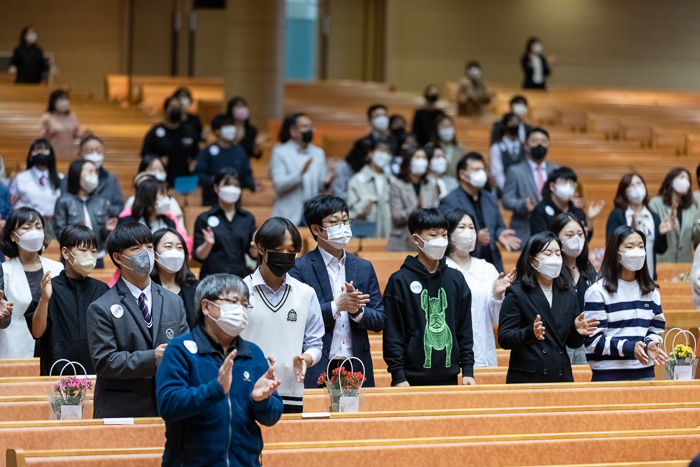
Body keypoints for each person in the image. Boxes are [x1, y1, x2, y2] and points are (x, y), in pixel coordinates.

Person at [156, 274, 282, 466]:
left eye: (245, 304)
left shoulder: (253, 354)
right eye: (233, 301)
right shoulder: (180, 349)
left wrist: (261, 401)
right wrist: (215, 389)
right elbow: (168, 406)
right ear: (206, 307)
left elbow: (273, 416)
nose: (240, 310)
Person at [87, 222, 189, 418]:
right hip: (121, 410)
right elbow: (105, 361)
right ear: (118, 257)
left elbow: (187, 349)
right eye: (136, 249)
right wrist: (153, 357)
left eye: (149, 247)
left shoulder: (173, 301)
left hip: (168, 407)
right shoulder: (101, 307)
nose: (146, 253)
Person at [290, 195, 385, 387]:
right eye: (334, 222)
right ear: (316, 229)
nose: (342, 227)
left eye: (345, 221)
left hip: (357, 366)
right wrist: (336, 307)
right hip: (317, 366)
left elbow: (380, 319)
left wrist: (357, 312)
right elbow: (295, 319)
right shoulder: (299, 268)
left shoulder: (364, 267)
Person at [239, 217, 324, 413]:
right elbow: (226, 343)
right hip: (247, 391)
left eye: (291, 251)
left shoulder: (306, 293)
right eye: (279, 249)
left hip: (291, 393)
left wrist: (306, 359)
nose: (285, 255)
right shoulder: (239, 291)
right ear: (261, 248)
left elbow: (315, 344)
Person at [383, 208, 475, 386]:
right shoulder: (399, 281)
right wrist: (398, 376)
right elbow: (393, 334)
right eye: (433, 235)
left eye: (444, 235)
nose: (440, 241)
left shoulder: (456, 280)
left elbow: (464, 330)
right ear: (416, 239)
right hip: (409, 380)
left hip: (451, 378)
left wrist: (468, 370)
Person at [498, 232, 597, 384]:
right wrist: (529, 333)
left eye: (558, 253)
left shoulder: (569, 292)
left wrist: (577, 331)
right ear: (532, 260)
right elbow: (504, 338)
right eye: (548, 253)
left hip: (560, 375)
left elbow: (571, 342)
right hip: (528, 378)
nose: (554, 258)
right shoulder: (517, 292)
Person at [584, 225, 667, 381]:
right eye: (630, 246)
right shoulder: (597, 292)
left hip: (644, 373)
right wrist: (630, 347)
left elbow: (655, 331)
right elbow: (593, 341)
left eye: (641, 246)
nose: (637, 250)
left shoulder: (651, 292)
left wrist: (649, 344)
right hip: (609, 376)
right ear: (616, 253)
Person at [24, 225, 108, 375]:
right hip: (58, 370)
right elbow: (36, 332)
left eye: (93, 251)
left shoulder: (102, 289)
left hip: (96, 371)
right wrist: (44, 299)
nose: (89, 255)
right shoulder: (50, 288)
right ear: (66, 252)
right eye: (83, 250)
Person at [445, 208, 513, 367]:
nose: (468, 232)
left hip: (483, 352)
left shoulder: (486, 268)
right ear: (447, 234)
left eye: (471, 227)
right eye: (461, 227)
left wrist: (497, 295)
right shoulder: (441, 269)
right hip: (450, 355)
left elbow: (498, 319)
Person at [439, 152, 520, 272]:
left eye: (483, 169)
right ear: (463, 174)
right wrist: (475, 237)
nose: (482, 173)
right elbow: (446, 234)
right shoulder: (449, 201)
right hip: (462, 263)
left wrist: (500, 234)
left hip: (491, 260)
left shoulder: (490, 198)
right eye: (477, 169)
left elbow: (498, 226)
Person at [0, 207, 63, 358]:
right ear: (13, 236)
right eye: (27, 227)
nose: (34, 232)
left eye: (38, 227)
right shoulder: (4, 270)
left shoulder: (58, 268)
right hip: (16, 349)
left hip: (54, 349)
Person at [550, 213, 599, 364]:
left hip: (588, 343)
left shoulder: (589, 270)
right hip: (559, 344)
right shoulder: (550, 270)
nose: (576, 239)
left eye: (580, 234)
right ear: (556, 238)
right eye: (569, 235)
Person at [193, 168, 257, 280]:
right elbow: (199, 256)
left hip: (240, 277)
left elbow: (253, 254)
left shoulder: (247, 218)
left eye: (236, 185)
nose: (231, 189)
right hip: (211, 277)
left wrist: (256, 245)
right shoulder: (204, 218)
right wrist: (208, 244)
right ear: (216, 188)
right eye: (227, 184)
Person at [605, 174, 671, 280]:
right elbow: (610, 246)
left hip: (648, 276)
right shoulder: (617, 215)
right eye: (631, 185)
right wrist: (628, 234)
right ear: (624, 192)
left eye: (639, 183)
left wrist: (661, 234)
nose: (636, 188)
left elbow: (661, 250)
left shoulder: (653, 217)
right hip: (622, 277)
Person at [54, 159, 116, 269]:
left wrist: (108, 229)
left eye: (95, 172)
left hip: (96, 256)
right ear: (77, 174)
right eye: (90, 171)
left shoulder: (101, 202)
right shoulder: (64, 201)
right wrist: (76, 230)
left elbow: (104, 239)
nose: (94, 175)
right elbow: (60, 233)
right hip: (73, 257)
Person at [502, 127, 558, 244]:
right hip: (525, 228)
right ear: (526, 145)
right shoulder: (515, 171)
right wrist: (522, 204)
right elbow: (507, 200)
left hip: (552, 227)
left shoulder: (555, 170)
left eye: (543, 141)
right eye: (535, 141)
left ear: (548, 145)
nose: (539, 144)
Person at [270, 113, 327, 225]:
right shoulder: (280, 152)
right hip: (288, 213)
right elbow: (279, 184)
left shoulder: (319, 153)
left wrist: (328, 181)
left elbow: (321, 185)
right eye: (305, 127)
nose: (309, 130)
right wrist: (300, 175)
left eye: (311, 126)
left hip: (312, 213)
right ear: (293, 131)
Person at [195, 114, 255, 206]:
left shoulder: (240, 152)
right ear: (216, 131)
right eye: (227, 126)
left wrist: (252, 185)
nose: (231, 129)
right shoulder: (206, 152)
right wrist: (218, 180)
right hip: (211, 202)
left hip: (235, 203)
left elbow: (247, 174)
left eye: (232, 126)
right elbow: (199, 175)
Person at [387, 148, 440, 252]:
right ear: (408, 161)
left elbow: (436, 214)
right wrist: (416, 206)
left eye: (424, 157)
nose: (421, 160)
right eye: (417, 157)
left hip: (426, 242)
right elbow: (396, 216)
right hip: (402, 242)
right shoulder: (397, 185)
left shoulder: (431, 185)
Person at [530, 167, 605, 238]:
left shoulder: (577, 212)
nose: (569, 186)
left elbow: (586, 240)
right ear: (552, 186)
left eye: (572, 183)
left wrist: (589, 220)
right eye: (564, 182)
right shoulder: (540, 211)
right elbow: (540, 240)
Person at [60, 134, 124, 217]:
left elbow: (119, 208)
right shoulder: (68, 180)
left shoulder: (110, 179)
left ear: (104, 153)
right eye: (90, 151)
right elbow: (63, 208)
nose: (95, 155)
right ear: (80, 154)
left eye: (98, 151)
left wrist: (103, 207)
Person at [140, 96, 199, 187]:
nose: (175, 110)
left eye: (178, 107)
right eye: (172, 107)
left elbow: (196, 154)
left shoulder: (189, 132)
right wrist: (157, 160)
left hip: (183, 180)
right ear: (165, 110)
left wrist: (194, 162)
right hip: (160, 180)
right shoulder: (154, 133)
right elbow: (145, 155)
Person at [649, 168, 700, 263]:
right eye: (682, 177)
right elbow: (649, 233)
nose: (685, 181)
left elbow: (695, 237)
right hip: (662, 262)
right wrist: (661, 230)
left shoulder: (691, 208)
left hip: (685, 263)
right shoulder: (656, 204)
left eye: (688, 179)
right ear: (671, 181)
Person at [151, 228, 199, 330]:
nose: (175, 252)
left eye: (179, 247)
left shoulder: (197, 287)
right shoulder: (146, 289)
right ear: (153, 253)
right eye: (168, 246)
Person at [346, 138, 393, 238]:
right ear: (370, 154)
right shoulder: (357, 180)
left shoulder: (393, 181)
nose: (384, 155)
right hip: (365, 235)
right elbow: (349, 212)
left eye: (388, 152)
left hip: (389, 237)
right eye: (381, 150)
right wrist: (361, 211)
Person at [10, 139, 63, 229]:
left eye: (44, 149)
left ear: (51, 155)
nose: (40, 152)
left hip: (54, 225)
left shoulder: (60, 178)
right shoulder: (21, 178)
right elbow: (12, 204)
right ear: (31, 155)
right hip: (27, 224)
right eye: (37, 150)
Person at [125, 156, 184, 230]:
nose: (157, 173)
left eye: (161, 169)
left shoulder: (170, 221)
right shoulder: (127, 221)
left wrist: (177, 223)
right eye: (153, 169)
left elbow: (182, 235)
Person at [490, 112, 526, 191]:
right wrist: (507, 190)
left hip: (522, 188)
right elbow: (497, 173)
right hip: (505, 189)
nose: (514, 125)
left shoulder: (524, 147)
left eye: (516, 123)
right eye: (511, 122)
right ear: (504, 126)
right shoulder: (497, 147)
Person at [39, 90, 80, 157]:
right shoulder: (47, 117)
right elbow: (43, 138)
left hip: (68, 153)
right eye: (60, 99)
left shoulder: (72, 117)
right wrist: (47, 129)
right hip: (53, 154)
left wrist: (84, 134)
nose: (63, 102)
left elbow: (76, 135)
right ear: (53, 102)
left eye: (65, 99)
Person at [425, 114, 466, 180]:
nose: (447, 129)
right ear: (436, 129)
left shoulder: (461, 149)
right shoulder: (431, 147)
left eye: (449, 126)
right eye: (443, 126)